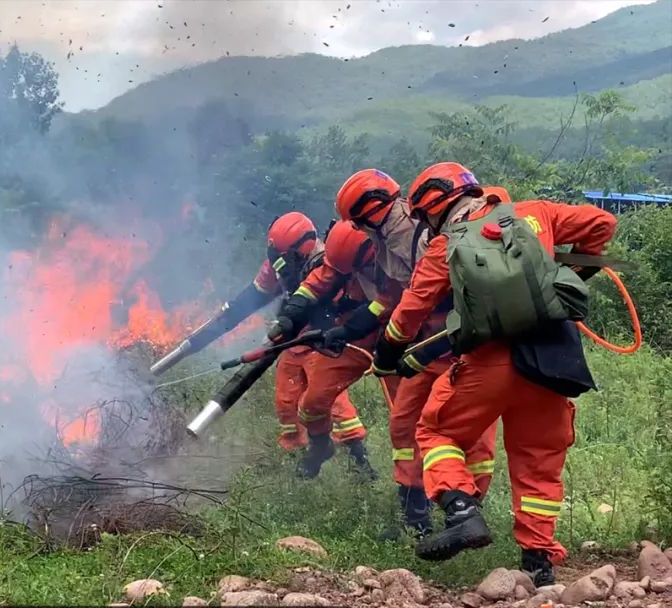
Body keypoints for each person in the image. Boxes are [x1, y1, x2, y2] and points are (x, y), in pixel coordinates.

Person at [373, 161, 616, 585]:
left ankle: (462, 511)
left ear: (435, 208)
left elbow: (410, 312)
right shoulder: (536, 213)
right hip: (552, 362)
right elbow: (602, 224)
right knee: (538, 460)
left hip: (490, 364)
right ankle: (538, 565)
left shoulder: (445, 245)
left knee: (436, 431)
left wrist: (387, 352)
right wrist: (569, 271)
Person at [327, 168, 497, 538]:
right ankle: (414, 516)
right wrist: (354, 326)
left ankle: (467, 513)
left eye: (358, 222)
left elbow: (425, 295)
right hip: (428, 346)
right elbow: (394, 293)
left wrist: (392, 345)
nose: (358, 229)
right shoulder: (390, 240)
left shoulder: (415, 235)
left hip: (461, 345)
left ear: (369, 212)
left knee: (468, 430)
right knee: (404, 423)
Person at [158, 211, 376, 474]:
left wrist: (294, 324)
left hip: (323, 340)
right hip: (293, 341)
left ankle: (359, 461)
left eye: (284, 259)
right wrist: (223, 321)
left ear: (301, 250)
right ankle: (299, 460)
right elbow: (253, 296)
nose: (279, 266)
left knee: (327, 399)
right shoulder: (278, 263)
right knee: (286, 400)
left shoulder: (329, 263)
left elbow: (328, 307)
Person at [269, 219, 401, 480]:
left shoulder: (396, 257)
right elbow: (317, 283)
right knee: (312, 401)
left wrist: (350, 327)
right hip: (350, 336)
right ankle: (320, 446)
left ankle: (406, 489)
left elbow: (390, 301)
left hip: (396, 333)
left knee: (404, 413)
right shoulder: (339, 257)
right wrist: (291, 314)